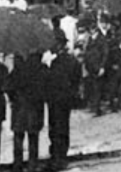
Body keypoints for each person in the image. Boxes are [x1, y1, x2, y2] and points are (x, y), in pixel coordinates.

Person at [44, 31, 82, 171]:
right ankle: (59, 155)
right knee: (60, 127)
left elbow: (53, 80)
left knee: (57, 128)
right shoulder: (70, 60)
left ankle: (58, 157)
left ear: (59, 44)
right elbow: (76, 79)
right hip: (63, 99)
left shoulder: (58, 62)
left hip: (57, 99)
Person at [6, 53, 46, 172]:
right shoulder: (40, 69)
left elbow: (7, 87)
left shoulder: (16, 71)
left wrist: (13, 98)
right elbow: (46, 87)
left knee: (18, 137)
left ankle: (17, 165)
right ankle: (32, 165)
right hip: (35, 107)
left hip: (19, 108)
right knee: (33, 138)